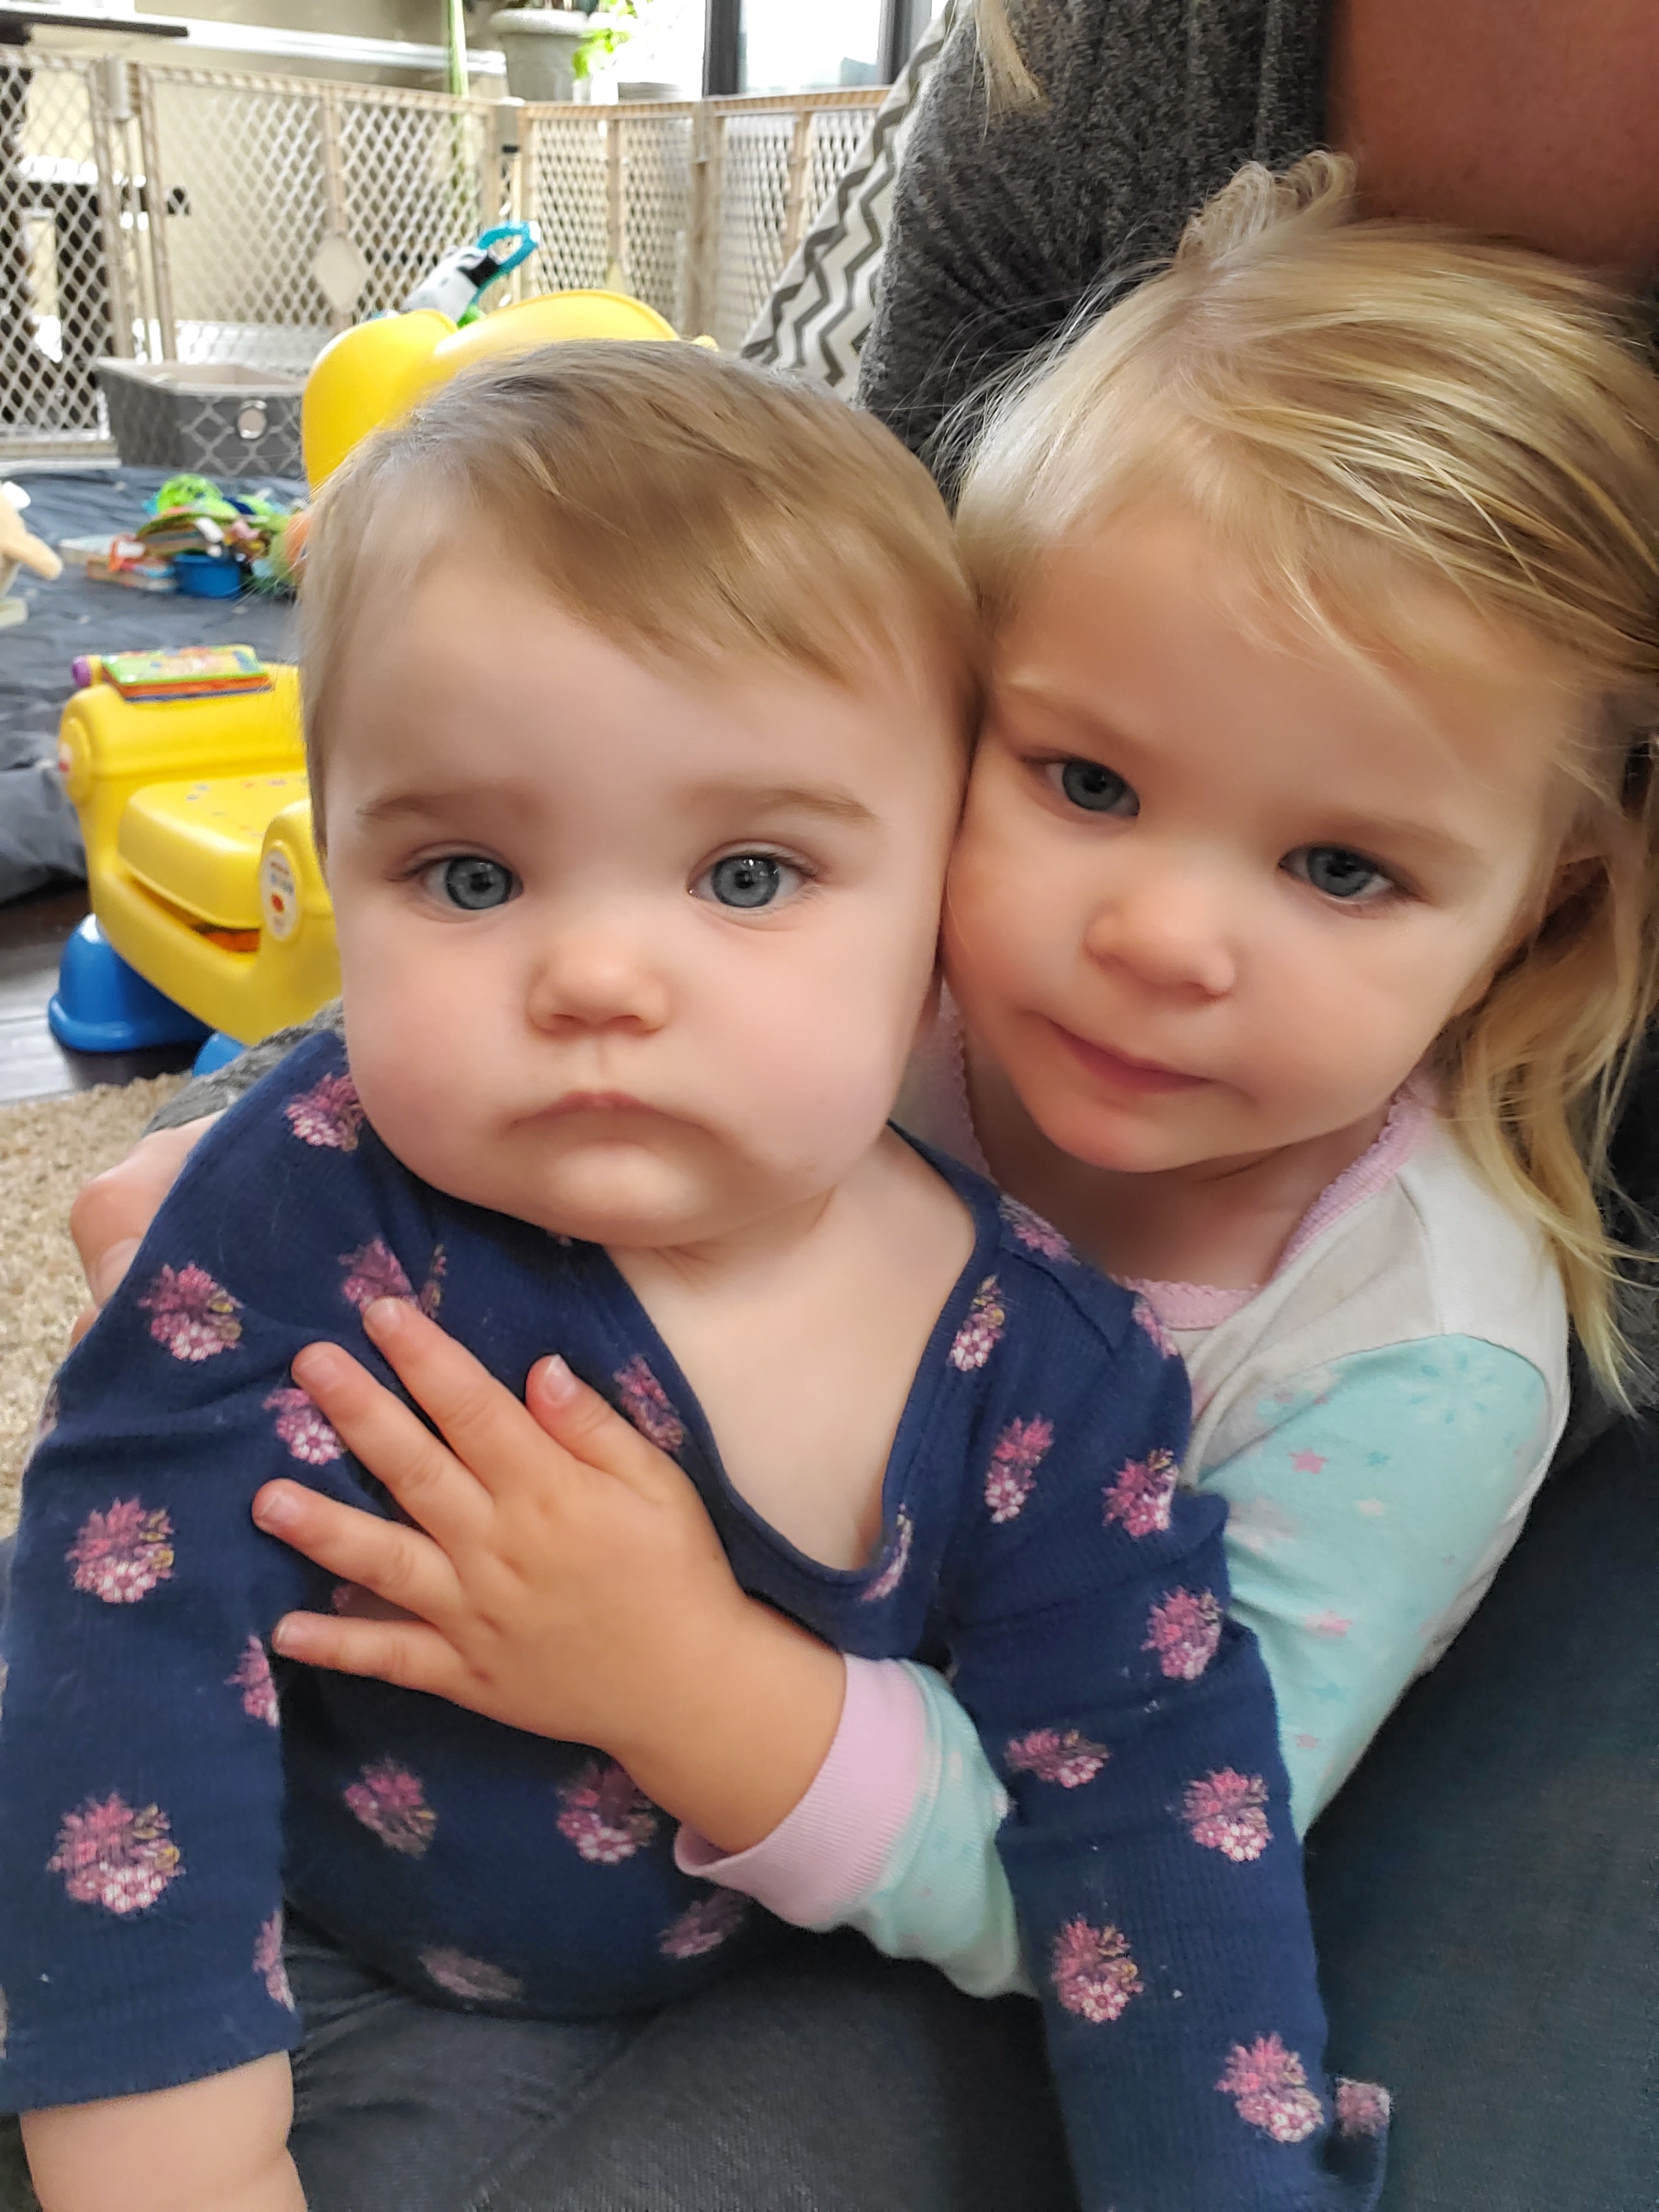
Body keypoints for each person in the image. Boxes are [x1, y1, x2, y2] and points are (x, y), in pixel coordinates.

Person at [61, 8, 1659, 2205]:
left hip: (843, 1890)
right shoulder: (838, 976)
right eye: (1083, 779)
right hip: (338, 1841)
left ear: (1533, 913)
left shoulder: (1405, 1365)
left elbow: (1152, 1874)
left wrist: (695, 1682)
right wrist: (252, 1146)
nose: (1160, 937)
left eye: (1341, 866)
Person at [0, 343, 1384, 2212]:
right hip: (279, 1913)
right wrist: (187, 2164)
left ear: (941, 916)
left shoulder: (1054, 1371)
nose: (596, 977)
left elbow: (1158, 1825)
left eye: (745, 876)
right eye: (469, 876)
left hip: (714, 1994)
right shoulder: (311, 1198)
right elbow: (122, 1658)